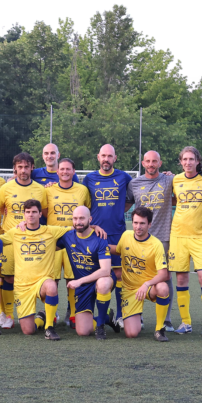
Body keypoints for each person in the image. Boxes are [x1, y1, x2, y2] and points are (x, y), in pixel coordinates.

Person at [0, 199, 81, 340]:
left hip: (42, 282)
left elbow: (76, 228)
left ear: (39, 214)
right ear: (24, 215)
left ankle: (49, 327)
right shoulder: (16, 232)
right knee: (28, 330)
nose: (30, 215)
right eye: (28, 212)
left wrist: (94, 227)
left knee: (51, 285)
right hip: (22, 286)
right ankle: (42, 317)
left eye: (34, 212)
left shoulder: (50, 231)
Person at [83, 145, 135, 329]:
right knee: (92, 274)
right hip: (94, 235)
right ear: (98, 157)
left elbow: (131, 198)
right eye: (103, 155)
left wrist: (119, 212)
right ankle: (90, 314)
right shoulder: (89, 179)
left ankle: (120, 316)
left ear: (115, 158)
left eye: (110, 156)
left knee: (120, 274)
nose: (106, 159)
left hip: (117, 234)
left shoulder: (124, 177)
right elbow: (84, 205)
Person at [0, 152, 47, 328]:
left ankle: (33, 312)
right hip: (10, 240)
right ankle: (7, 314)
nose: (23, 170)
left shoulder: (40, 189)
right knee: (8, 278)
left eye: (26, 167)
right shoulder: (6, 188)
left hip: (32, 242)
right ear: (14, 168)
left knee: (31, 277)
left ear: (32, 167)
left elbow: (44, 213)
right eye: (20, 167)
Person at [168, 146, 202, 336]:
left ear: (198, 161)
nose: (188, 162)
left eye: (191, 159)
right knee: (181, 278)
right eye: (184, 159)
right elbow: (172, 199)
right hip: (178, 235)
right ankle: (185, 323)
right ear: (180, 162)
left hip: (199, 236)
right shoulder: (175, 179)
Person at [128, 150, 176, 332]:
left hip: (163, 237)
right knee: (137, 274)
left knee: (166, 277)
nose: (151, 164)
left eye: (154, 161)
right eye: (147, 161)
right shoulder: (134, 183)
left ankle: (167, 319)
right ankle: (137, 316)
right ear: (142, 163)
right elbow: (125, 203)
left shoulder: (169, 180)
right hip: (140, 239)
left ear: (160, 163)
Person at [109, 207, 172, 341]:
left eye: (142, 223)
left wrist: (146, 284)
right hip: (130, 290)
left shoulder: (156, 244)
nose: (138, 227)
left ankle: (159, 329)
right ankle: (110, 317)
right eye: (136, 223)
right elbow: (118, 250)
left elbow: (164, 274)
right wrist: (100, 245)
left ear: (149, 224)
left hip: (149, 287)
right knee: (131, 334)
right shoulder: (126, 235)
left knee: (163, 287)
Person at [44, 158, 91, 325]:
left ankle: (72, 313)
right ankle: (52, 313)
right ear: (57, 171)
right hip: (54, 241)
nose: (64, 172)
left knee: (73, 277)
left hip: (75, 240)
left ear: (73, 172)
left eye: (68, 169)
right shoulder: (48, 190)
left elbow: (87, 211)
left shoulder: (82, 190)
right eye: (61, 169)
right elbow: (44, 211)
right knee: (53, 277)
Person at [63, 206, 114, 340]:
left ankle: (101, 325)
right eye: (75, 218)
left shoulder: (99, 237)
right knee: (83, 331)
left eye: (82, 218)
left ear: (90, 219)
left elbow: (105, 270)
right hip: (84, 286)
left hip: (99, 279)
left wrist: (79, 281)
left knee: (103, 283)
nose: (78, 221)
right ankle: (106, 317)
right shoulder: (67, 236)